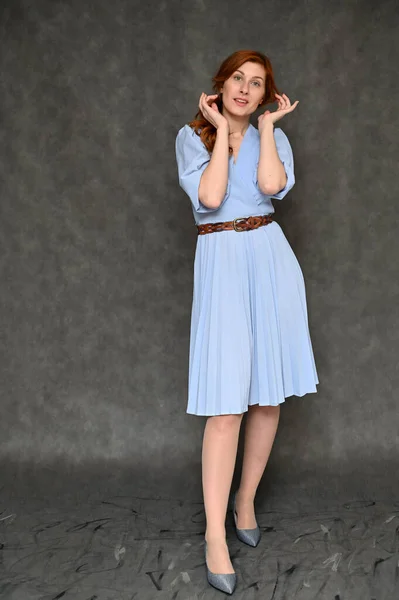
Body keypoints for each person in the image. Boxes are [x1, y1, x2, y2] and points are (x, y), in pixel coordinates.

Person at [175, 50, 319, 595]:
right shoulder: (193, 137)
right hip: (222, 263)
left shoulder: (272, 136)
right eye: (238, 78)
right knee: (225, 406)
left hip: (271, 259)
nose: (244, 88)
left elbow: (269, 188)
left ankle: (245, 501)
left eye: (257, 84)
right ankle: (215, 535)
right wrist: (219, 131)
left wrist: (263, 130)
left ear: (266, 96)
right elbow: (211, 198)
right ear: (221, 83)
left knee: (267, 397)